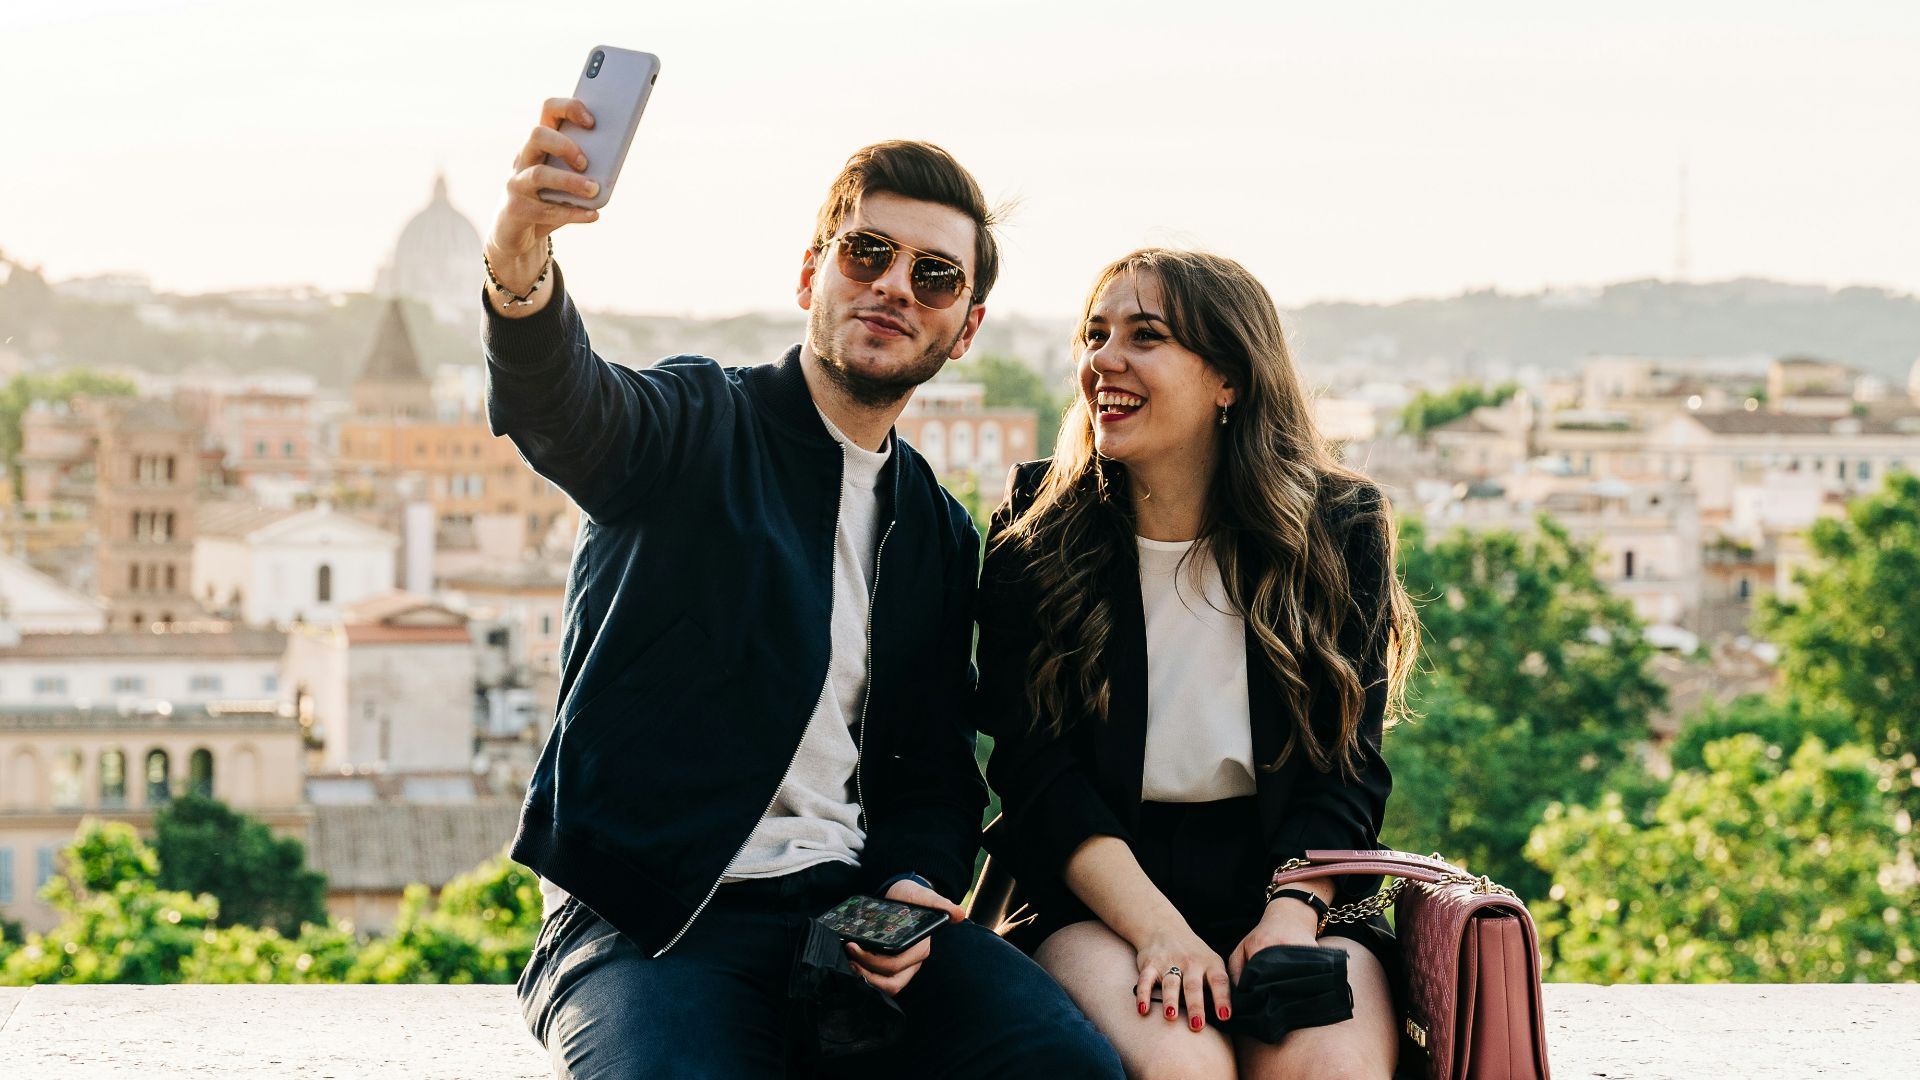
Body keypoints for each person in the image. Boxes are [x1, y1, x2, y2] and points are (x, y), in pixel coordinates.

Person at [484, 95, 1122, 1080]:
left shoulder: (936, 531)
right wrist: (521, 256)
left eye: (935, 275)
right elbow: (569, 410)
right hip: (655, 920)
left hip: (847, 920)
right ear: (809, 274)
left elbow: (932, 769)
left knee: (1068, 1069)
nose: (896, 287)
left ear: (965, 329)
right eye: (867, 254)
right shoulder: (698, 422)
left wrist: (913, 888)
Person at [976, 249, 1420, 1080]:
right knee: (1182, 1068)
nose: (1104, 360)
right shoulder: (1034, 526)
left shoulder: (1337, 526)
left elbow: (1348, 768)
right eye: (1094, 333)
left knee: (1331, 1069)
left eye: (1146, 336)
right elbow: (1037, 773)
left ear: (1230, 379)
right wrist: (1158, 931)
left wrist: (1290, 916)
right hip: (1101, 891)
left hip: (1292, 883)